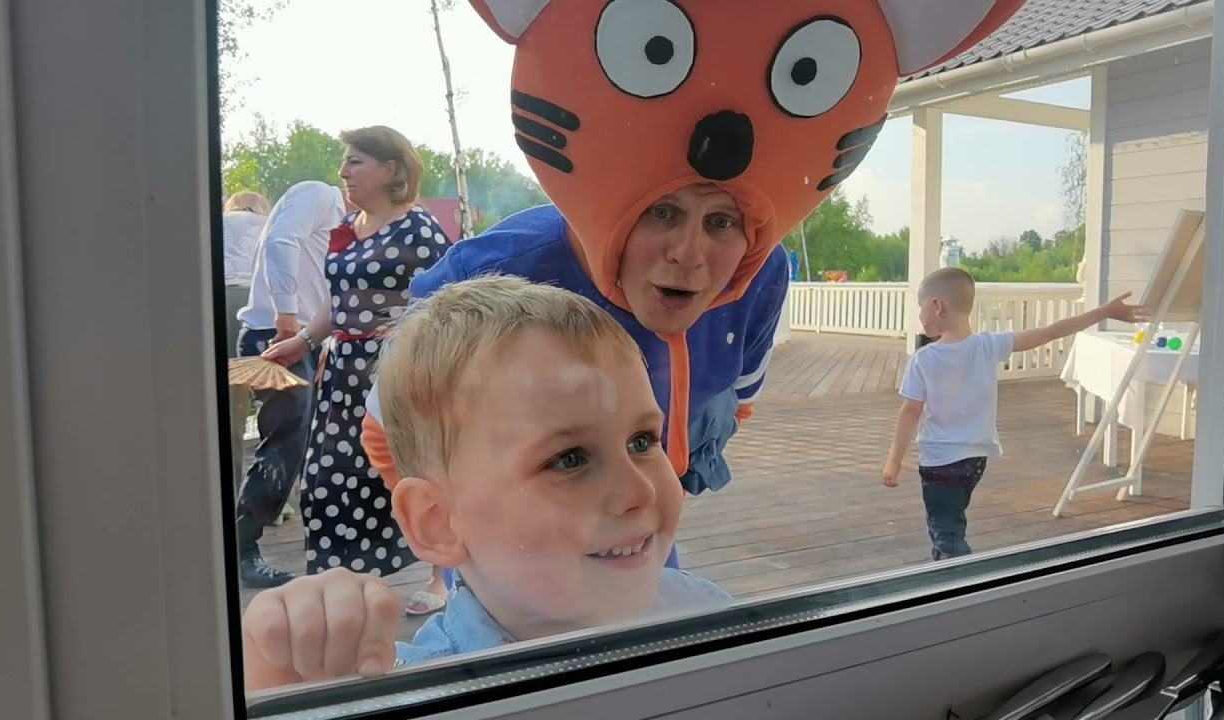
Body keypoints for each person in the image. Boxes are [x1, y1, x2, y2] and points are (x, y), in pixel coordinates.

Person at [360, 0, 1028, 566]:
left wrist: (669, 471)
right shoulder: (496, 275)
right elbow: (386, 429)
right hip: (512, 560)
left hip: (642, 536)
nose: (690, 253)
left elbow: (735, 400)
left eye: (722, 222)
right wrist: (464, 551)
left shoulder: (759, 277)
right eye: (661, 213)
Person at [241, 277, 731, 690]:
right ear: (437, 523)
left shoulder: (705, 613)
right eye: (569, 459)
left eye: (642, 441)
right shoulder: (417, 687)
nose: (640, 492)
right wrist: (279, 672)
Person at [261, 126, 449, 602]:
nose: (343, 171)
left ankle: (442, 578)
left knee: (411, 468)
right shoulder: (347, 228)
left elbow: (444, 301)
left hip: (395, 370)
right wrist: (303, 340)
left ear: (391, 169)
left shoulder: (419, 230)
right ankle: (343, 581)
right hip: (343, 372)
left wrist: (417, 352)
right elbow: (338, 298)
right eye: (345, 162)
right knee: (327, 477)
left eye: (355, 161)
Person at [881, 268, 1150, 560]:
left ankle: (962, 578)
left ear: (937, 306)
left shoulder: (923, 360)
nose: (920, 315)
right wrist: (1104, 312)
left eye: (920, 307)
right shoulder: (988, 345)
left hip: (940, 463)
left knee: (947, 536)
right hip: (975, 461)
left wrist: (894, 460)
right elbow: (1051, 332)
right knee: (951, 523)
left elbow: (911, 411)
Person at [233, 181, 345, 588]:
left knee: (303, 442)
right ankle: (242, 546)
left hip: (304, 339)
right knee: (286, 442)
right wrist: (286, 313)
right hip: (276, 332)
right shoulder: (319, 194)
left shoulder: (351, 225)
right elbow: (281, 241)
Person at [221, 190, 271, 491]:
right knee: (271, 402)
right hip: (260, 306)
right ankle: (267, 490)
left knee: (229, 410)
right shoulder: (270, 223)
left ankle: (227, 489)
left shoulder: (220, 221)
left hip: (217, 301)